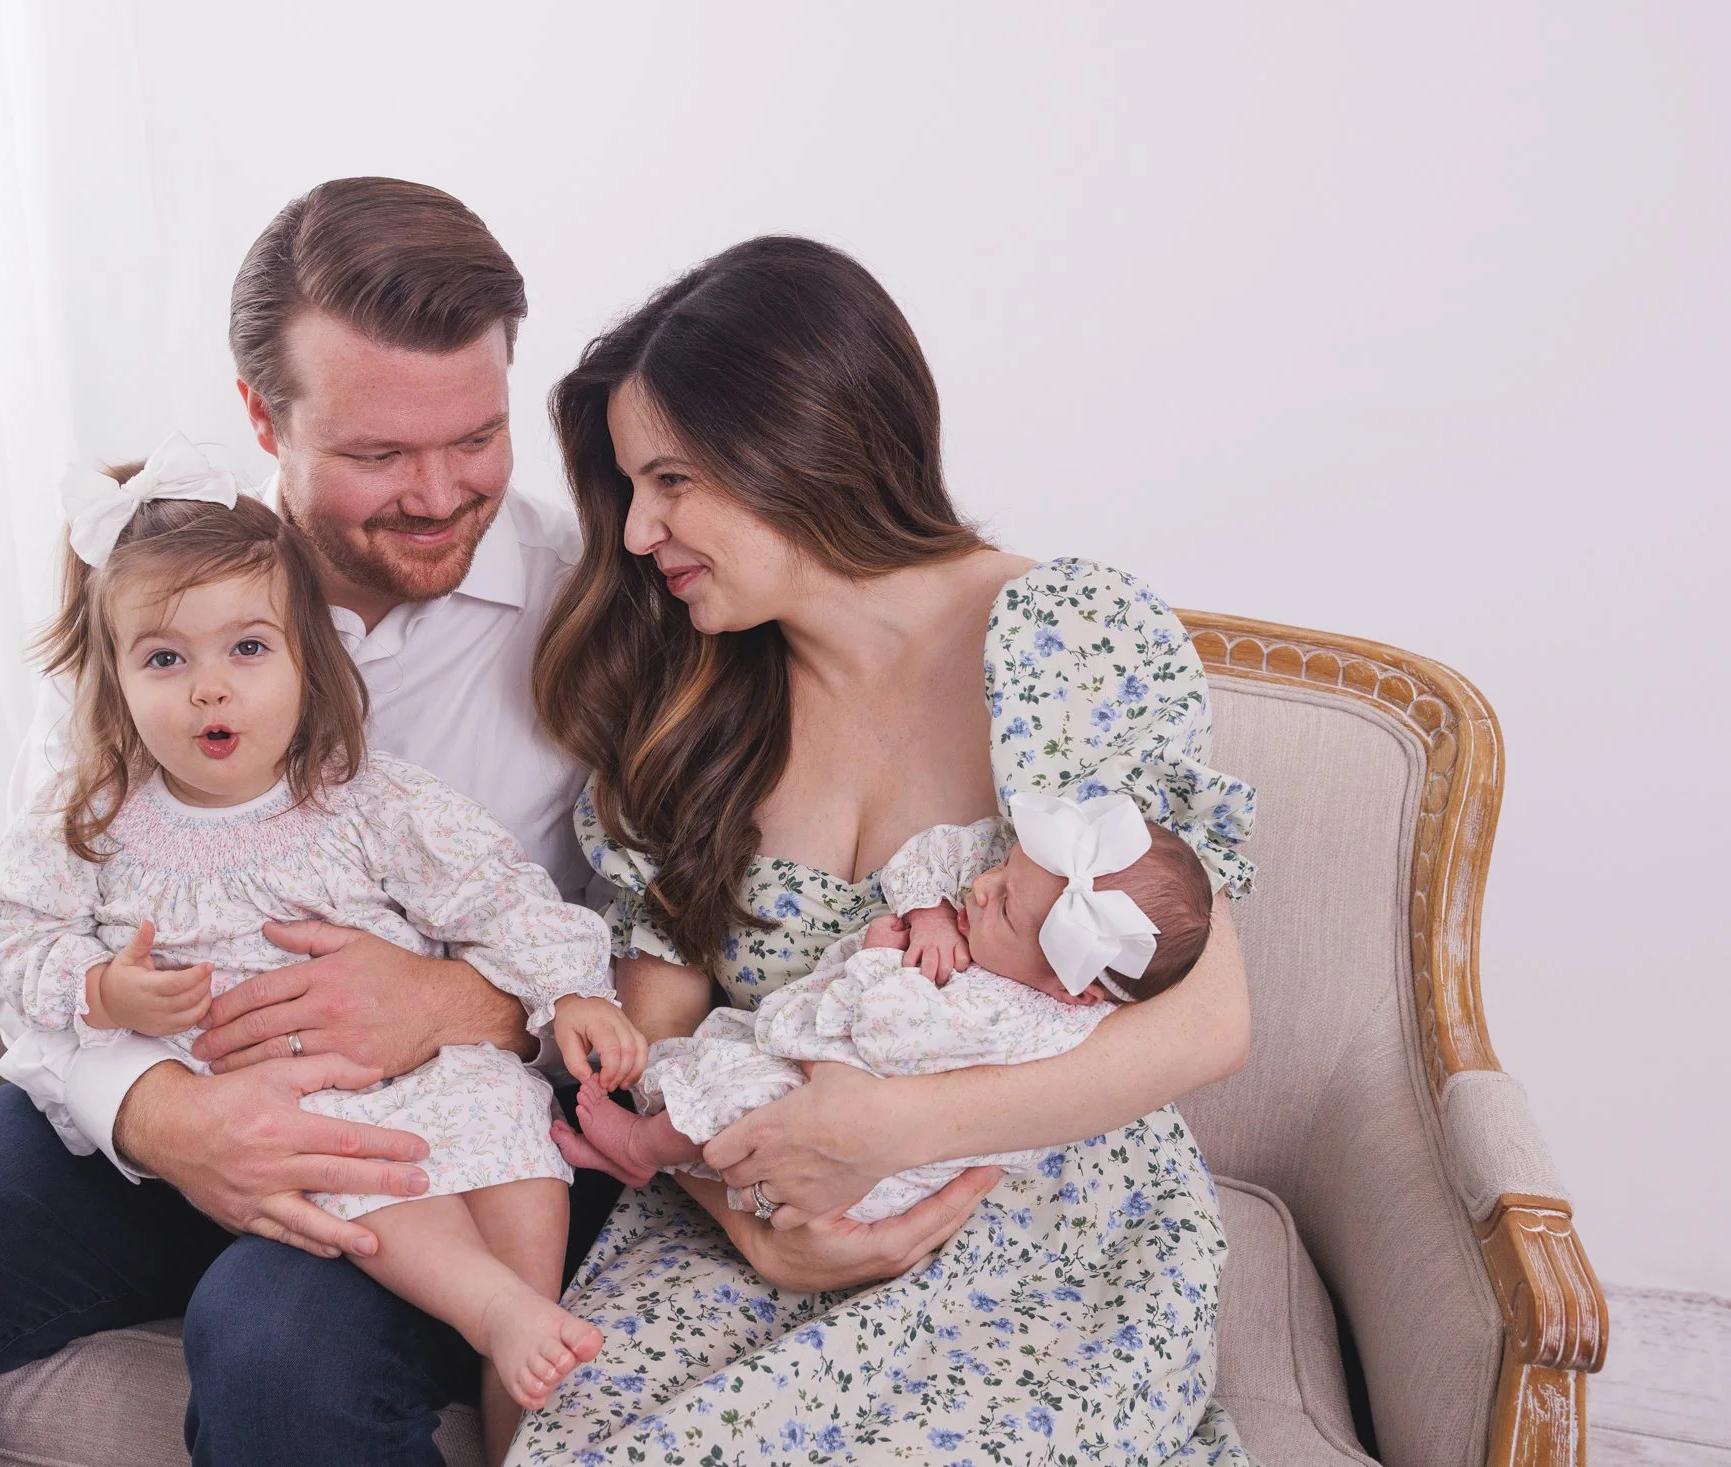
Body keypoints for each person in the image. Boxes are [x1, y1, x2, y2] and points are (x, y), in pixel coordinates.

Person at [0, 177, 637, 1467]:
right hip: (164, 1083)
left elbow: (652, 945)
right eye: (379, 454)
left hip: (433, 1123)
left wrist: (461, 1005)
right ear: (261, 416)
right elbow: (42, 906)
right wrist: (153, 1110)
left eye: (475, 439)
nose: (439, 494)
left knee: (280, 1360)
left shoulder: (595, 610)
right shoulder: (148, 596)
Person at [514, 235, 1260, 1462]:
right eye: (627, 490)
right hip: (757, 1205)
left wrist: (890, 1134)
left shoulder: (1058, 640)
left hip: (1033, 1220)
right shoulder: (689, 708)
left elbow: (1206, 1023)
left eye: (671, 480)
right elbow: (650, 1052)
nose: (641, 532)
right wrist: (751, 1213)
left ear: (795, 440)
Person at [0, 451, 650, 1455]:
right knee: (361, 1168)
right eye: (165, 660)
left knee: (517, 1148)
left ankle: (526, 1413)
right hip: (285, 1098)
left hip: (421, 1063)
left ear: (304, 659)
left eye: (247, 648)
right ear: (111, 679)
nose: (211, 691)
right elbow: (13, 937)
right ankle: (496, 1313)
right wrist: (102, 989)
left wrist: (570, 994)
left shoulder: (365, 799)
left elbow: (498, 892)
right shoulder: (96, 823)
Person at [556, 794, 1216, 1221]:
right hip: (833, 1067)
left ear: (1071, 990)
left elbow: (882, 1035)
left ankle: (644, 1146)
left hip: (877, 1157)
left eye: (1006, 906)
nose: (981, 888)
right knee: (723, 1055)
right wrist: (926, 910)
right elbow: (945, 851)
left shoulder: (1009, 1016)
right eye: (1004, 870)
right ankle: (657, 1120)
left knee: (750, 1094)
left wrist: (880, 954)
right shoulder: (1021, 918)